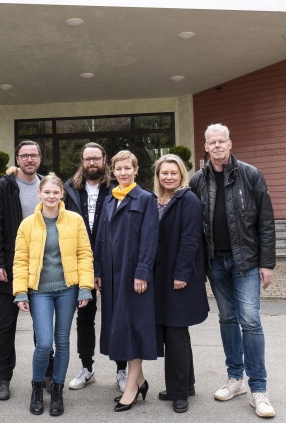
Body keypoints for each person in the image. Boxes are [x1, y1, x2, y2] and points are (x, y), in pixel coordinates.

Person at [189, 124, 277, 418]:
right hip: (215, 262)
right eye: (211, 142)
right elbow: (194, 226)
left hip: (247, 262)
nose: (217, 146)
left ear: (230, 143)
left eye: (221, 141)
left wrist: (267, 263)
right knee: (227, 319)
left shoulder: (251, 175)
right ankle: (235, 378)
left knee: (250, 321)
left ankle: (259, 389)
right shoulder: (197, 180)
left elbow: (265, 220)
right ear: (205, 147)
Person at [13, 173, 94, 416]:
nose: (51, 196)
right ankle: (37, 388)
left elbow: (84, 254)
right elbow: (20, 260)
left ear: (62, 195)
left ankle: (57, 389)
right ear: (39, 193)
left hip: (68, 289)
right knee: (44, 342)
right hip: (40, 292)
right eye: (46, 192)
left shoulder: (75, 220)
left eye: (55, 192)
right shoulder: (27, 224)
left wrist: (85, 286)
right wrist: (20, 292)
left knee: (63, 341)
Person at [94, 150, 158, 412]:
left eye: (127, 168)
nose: (122, 173)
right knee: (118, 327)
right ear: (113, 171)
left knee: (133, 328)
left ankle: (131, 388)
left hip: (133, 275)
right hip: (111, 274)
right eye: (118, 169)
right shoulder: (110, 198)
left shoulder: (145, 199)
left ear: (135, 170)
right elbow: (100, 236)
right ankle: (140, 381)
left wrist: (142, 271)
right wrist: (97, 269)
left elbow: (150, 237)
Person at [0, 140, 49, 401]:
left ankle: (46, 373)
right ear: (18, 159)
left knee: (43, 325)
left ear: (40, 158)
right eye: (25, 156)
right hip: (11, 269)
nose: (29, 160)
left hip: (43, 268)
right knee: (6, 326)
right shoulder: (5, 186)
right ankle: (3, 377)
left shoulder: (47, 185)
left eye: (33, 155)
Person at [63, 142, 128, 392]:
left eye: (96, 159)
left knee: (116, 315)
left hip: (111, 261)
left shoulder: (115, 188)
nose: (92, 163)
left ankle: (121, 369)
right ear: (82, 160)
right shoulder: (70, 189)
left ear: (104, 159)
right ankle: (87, 367)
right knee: (85, 316)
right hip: (80, 262)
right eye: (87, 159)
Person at [152, 154, 209, 414]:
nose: (169, 177)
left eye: (173, 173)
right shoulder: (158, 201)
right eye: (164, 173)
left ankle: (179, 394)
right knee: (175, 333)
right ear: (158, 176)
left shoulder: (188, 200)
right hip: (162, 278)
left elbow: (190, 240)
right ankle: (186, 385)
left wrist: (182, 274)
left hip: (179, 278)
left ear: (181, 175)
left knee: (175, 334)